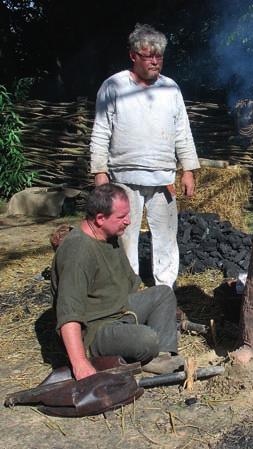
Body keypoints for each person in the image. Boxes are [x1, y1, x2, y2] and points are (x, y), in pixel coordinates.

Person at [90, 23, 200, 287]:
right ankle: (129, 290)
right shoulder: (114, 86)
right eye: (148, 55)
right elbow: (101, 131)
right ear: (133, 56)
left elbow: (182, 131)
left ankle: (165, 289)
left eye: (159, 56)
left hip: (163, 178)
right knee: (125, 236)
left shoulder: (171, 89)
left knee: (166, 236)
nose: (154, 61)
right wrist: (100, 172)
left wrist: (187, 169)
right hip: (124, 177)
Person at [51, 184, 184, 380]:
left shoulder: (109, 235)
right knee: (147, 339)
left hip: (119, 308)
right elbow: (68, 314)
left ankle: (160, 357)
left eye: (128, 214)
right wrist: (80, 364)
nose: (128, 221)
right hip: (96, 328)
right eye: (121, 217)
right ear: (100, 218)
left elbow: (129, 283)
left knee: (163, 293)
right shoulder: (77, 252)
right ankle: (146, 350)